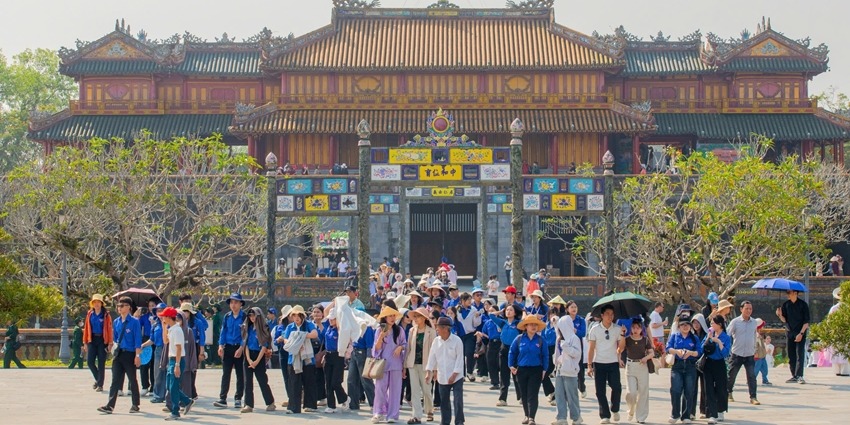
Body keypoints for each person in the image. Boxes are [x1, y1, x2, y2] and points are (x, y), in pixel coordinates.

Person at [97, 296, 142, 415]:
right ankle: (110, 405)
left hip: (130, 353)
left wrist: (137, 355)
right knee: (115, 380)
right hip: (119, 354)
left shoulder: (134, 322)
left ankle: (135, 404)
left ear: (128, 308)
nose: (119, 308)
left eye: (122, 306)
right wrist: (111, 347)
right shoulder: (116, 322)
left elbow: (137, 340)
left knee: (132, 379)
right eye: (118, 306)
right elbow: (115, 338)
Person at [587, 304, 625, 424]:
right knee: (600, 391)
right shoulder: (595, 329)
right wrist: (589, 365)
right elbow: (591, 348)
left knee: (617, 387)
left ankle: (615, 409)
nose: (610, 316)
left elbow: (621, 348)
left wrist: (623, 335)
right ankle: (605, 415)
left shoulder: (618, 328)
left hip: (613, 362)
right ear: (602, 315)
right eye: (608, 314)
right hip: (599, 363)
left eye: (612, 314)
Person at [508, 314, 550, 425]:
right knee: (524, 394)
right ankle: (526, 415)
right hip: (521, 370)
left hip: (536, 370)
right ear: (526, 326)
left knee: (533, 394)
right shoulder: (519, 339)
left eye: (535, 324)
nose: (533, 327)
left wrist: (545, 369)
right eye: (531, 324)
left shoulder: (541, 340)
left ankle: (532, 417)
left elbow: (546, 355)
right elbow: (512, 352)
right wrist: (511, 365)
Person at [427, 316, 465, 425]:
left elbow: (459, 359)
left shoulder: (457, 340)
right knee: (444, 402)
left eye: (438, 327)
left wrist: (454, 375)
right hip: (442, 375)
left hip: (456, 376)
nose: (437, 329)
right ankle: (445, 422)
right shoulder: (436, 341)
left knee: (458, 400)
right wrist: (429, 371)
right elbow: (432, 357)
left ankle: (459, 421)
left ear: (445, 328)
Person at [159, 306, 195, 421]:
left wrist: (177, 365)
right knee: (170, 386)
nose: (162, 318)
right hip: (171, 360)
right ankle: (187, 400)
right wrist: (164, 327)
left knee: (173, 386)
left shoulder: (178, 330)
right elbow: (165, 341)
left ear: (169, 317)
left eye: (164, 317)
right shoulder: (171, 329)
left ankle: (175, 411)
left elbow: (179, 348)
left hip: (177, 360)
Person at [372, 306, 407, 424]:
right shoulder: (379, 330)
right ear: (385, 317)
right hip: (383, 364)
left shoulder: (399, 330)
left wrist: (400, 347)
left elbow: (405, 344)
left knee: (395, 391)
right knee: (380, 389)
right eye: (390, 315)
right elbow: (376, 349)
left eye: (393, 315)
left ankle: (392, 415)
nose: (392, 318)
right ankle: (378, 412)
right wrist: (381, 336)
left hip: (396, 364)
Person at [665, 312, 702, 424]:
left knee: (689, 391)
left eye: (687, 324)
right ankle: (675, 413)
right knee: (675, 390)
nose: (685, 327)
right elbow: (668, 348)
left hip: (690, 366)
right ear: (679, 326)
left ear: (690, 326)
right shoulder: (675, 336)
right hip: (677, 365)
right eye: (682, 325)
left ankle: (686, 415)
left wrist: (690, 353)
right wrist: (677, 351)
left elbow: (699, 352)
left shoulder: (694, 338)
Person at [282, 305, 319, 414]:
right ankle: (294, 407)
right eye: (294, 315)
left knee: (309, 382)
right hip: (293, 358)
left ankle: (310, 405)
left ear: (302, 316)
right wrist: (295, 343)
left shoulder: (308, 324)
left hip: (307, 358)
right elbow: (285, 339)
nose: (296, 317)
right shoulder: (290, 327)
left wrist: (301, 336)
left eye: (298, 315)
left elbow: (314, 334)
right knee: (294, 383)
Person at [240, 307, 275, 413]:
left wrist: (256, 361)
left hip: (259, 354)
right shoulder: (247, 328)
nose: (252, 318)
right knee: (247, 381)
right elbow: (245, 344)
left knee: (262, 380)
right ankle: (248, 404)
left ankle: (270, 403)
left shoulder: (264, 328)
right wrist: (249, 359)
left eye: (254, 315)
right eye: (250, 315)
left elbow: (264, 345)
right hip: (248, 355)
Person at [215, 293, 246, 409]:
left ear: (240, 304)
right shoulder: (227, 316)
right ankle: (223, 398)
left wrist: (241, 348)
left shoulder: (244, 317)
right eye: (232, 302)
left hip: (239, 347)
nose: (233, 305)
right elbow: (223, 332)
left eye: (236, 302)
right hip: (228, 347)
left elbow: (246, 334)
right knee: (226, 373)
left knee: (240, 374)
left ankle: (238, 398)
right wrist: (220, 346)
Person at [406, 307, 436, 424]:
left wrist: (435, 369)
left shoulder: (431, 331)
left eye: (418, 316)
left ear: (424, 318)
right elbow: (408, 348)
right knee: (414, 390)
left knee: (427, 389)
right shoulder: (412, 331)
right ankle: (417, 415)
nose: (416, 319)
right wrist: (405, 366)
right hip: (412, 363)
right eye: (415, 316)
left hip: (426, 365)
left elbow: (434, 351)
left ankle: (429, 411)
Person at [727, 301, 759, 405]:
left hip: (750, 354)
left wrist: (756, 349)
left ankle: (753, 397)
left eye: (750, 309)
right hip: (737, 353)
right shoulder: (735, 322)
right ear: (741, 309)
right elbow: (727, 334)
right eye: (746, 308)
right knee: (732, 375)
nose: (749, 311)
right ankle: (729, 392)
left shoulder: (754, 322)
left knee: (751, 376)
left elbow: (754, 336)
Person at [553, 314, 583, 425]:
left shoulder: (574, 338)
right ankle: (561, 417)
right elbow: (557, 352)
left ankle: (576, 417)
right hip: (560, 369)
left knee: (572, 396)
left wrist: (566, 346)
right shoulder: (559, 338)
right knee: (559, 394)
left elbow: (577, 354)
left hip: (570, 370)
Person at [776, 289, 811, 384]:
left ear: (795, 293)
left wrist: (801, 333)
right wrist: (779, 315)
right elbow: (784, 320)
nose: (788, 295)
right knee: (791, 354)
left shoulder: (803, 305)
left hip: (800, 332)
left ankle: (800, 375)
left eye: (789, 293)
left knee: (800, 353)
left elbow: (806, 321)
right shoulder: (786, 304)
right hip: (789, 332)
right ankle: (794, 375)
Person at [624, 318, 654, 424]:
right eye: (633, 327)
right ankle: (631, 409)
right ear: (631, 328)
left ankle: (641, 416)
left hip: (642, 366)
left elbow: (652, 353)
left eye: (638, 328)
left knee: (643, 392)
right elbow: (620, 348)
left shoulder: (645, 340)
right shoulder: (627, 339)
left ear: (641, 329)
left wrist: (646, 358)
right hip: (630, 366)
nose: (635, 330)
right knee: (631, 392)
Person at [491, 304, 522, 406]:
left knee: (516, 375)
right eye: (507, 310)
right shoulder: (503, 323)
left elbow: (526, 322)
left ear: (515, 312)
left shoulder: (518, 324)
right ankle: (502, 398)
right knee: (504, 375)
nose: (508, 312)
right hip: (504, 350)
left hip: (515, 351)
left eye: (511, 310)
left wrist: (524, 312)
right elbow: (491, 316)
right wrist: (500, 312)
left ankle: (521, 396)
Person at [321, 306, 350, 413]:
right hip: (328, 355)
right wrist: (334, 303)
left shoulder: (341, 329)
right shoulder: (328, 327)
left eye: (333, 318)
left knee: (335, 382)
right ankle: (331, 405)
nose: (331, 320)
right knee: (328, 382)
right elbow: (325, 312)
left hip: (338, 356)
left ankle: (345, 398)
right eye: (330, 318)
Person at [702, 316, 731, 424]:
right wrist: (708, 339)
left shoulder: (726, 337)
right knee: (708, 388)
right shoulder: (709, 334)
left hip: (719, 363)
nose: (711, 325)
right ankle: (712, 414)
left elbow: (725, 353)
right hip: (708, 363)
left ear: (719, 324)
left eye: (713, 323)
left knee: (721, 388)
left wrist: (718, 342)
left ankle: (720, 410)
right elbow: (702, 349)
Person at [83, 293, 112, 391]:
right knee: (90, 362)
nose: (96, 304)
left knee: (101, 363)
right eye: (94, 302)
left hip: (102, 340)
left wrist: (110, 343)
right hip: (92, 339)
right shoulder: (90, 314)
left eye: (98, 302)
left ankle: (100, 385)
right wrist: (85, 342)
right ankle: (98, 379)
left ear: (101, 303)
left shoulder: (106, 315)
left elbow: (109, 329)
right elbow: (86, 328)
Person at [349, 312, 377, 411]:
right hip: (354, 352)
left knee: (365, 380)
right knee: (351, 379)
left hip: (363, 353)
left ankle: (374, 403)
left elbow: (369, 346)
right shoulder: (354, 326)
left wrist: (369, 361)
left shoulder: (368, 328)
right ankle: (353, 404)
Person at [564, 300, 588, 398]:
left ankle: (582, 387)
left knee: (580, 369)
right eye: (572, 307)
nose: (574, 309)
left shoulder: (581, 320)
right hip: (567, 347)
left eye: (575, 307)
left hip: (578, 346)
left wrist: (575, 331)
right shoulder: (565, 320)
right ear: (567, 309)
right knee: (568, 367)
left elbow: (582, 333)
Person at [690, 314, 709, 420]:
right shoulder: (690, 335)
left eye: (698, 322)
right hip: (693, 363)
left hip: (704, 364)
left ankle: (704, 410)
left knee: (705, 387)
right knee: (692, 388)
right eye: (694, 322)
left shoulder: (707, 335)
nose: (696, 325)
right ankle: (691, 411)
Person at [753, 319, 771, 386]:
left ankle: (765, 380)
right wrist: (755, 352)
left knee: (764, 369)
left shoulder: (759, 335)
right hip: (758, 356)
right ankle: (752, 380)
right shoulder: (755, 335)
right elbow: (755, 344)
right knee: (756, 369)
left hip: (762, 355)